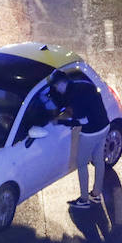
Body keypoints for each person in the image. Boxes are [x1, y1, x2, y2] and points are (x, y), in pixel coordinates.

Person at [49, 70, 111, 209]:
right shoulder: (83, 84)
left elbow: (82, 122)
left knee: (82, 164)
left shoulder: (73, 97)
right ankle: (96, 194)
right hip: (105, 126)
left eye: (56, 86)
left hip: (91, 133)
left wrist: (59, 122)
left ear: (60, 84)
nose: (55, 89)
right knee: (98, 160)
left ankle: (84, 199)